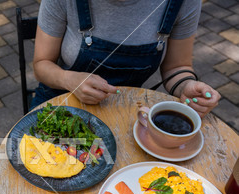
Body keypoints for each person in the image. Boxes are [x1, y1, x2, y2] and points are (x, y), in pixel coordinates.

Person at [31, 0, 221, 117]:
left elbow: (177, 66)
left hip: (126, 110)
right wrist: (69, 79)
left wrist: (186, 86)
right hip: (59, 100)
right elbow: (41, 65)